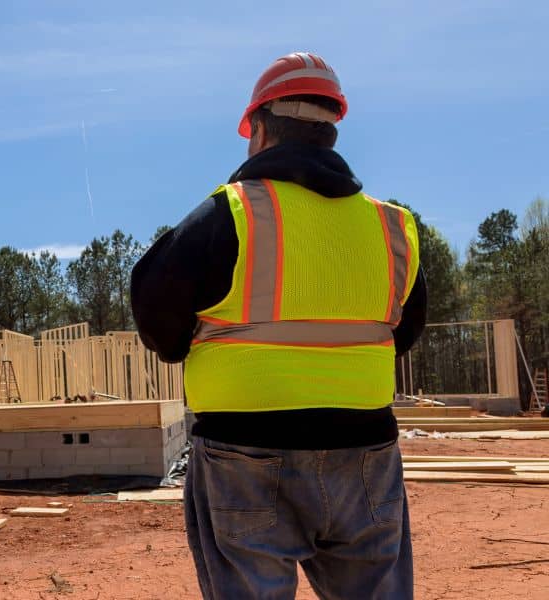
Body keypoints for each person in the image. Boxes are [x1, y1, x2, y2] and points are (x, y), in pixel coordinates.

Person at [130, 52, 426, 599]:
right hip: (366, 452)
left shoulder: (229, 215)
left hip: (244, 455)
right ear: (329, 134)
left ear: (261, 130)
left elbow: (157, 319)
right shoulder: (392, 228)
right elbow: (402, 333)